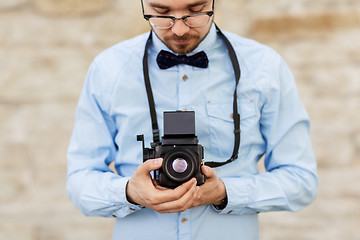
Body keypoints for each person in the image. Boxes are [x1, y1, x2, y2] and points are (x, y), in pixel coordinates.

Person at [66, 0, 318, 239]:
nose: (178, 28)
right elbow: (80, 179)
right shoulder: (108, 69)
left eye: (195, 10)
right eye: (161, 12)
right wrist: (130, 193)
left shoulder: (264, 67)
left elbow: (301, 180)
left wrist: (226, 193)